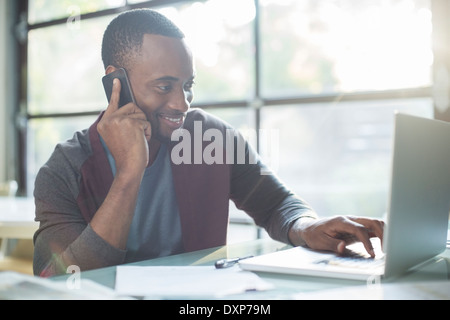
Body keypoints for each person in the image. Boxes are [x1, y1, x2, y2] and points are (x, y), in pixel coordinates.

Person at [33, 9, 384, 277]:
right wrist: (129, 172)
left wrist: (308, 227)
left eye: (188, 86)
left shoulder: (208, 137)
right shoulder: (64, 169)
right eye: (164, 87)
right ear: (116, 83)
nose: (181, 103)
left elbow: (276, 204)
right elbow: (63, 278)